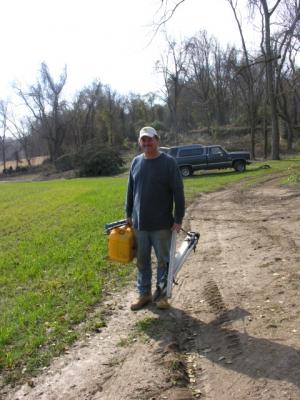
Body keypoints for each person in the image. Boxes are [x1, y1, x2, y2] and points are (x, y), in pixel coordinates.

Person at [126, 126, 185, 311]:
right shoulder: (136, 162)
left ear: (157, 140)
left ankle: (161, 296)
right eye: (143, 140)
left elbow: (178, 191)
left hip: (161, 224)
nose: (146, 143)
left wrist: (178, 218)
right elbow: (130, 190)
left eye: (150, 139)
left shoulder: (168, 163)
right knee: (142, 262)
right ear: (140, 142)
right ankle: (144, 294)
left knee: (163, 261)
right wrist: (128, 213)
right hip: (140, 224)